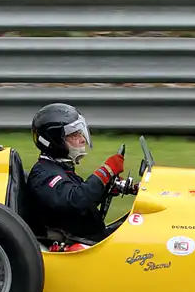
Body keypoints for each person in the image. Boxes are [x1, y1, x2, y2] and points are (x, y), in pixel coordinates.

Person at [24, 103, 125, 244]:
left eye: (80, 133)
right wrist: (106, 172)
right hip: (74, 244)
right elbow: (74, 201)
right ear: (54, 141)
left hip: (89, 236)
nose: (82, 139)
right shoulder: (44, 175)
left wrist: (106, 188)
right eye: (74, 135)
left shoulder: (58, 167)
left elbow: (82, 202)